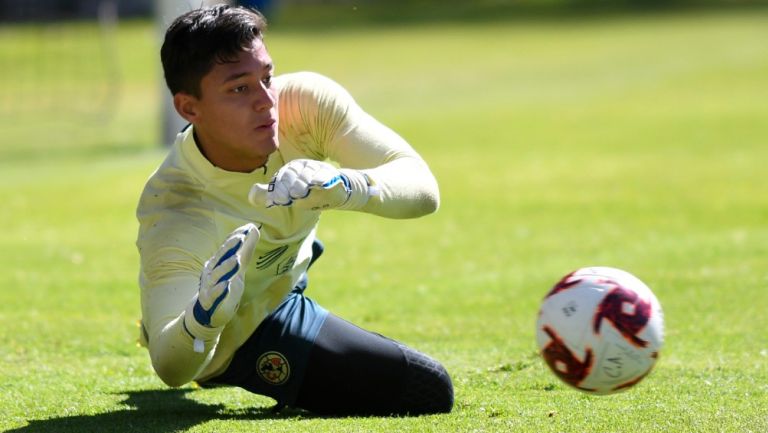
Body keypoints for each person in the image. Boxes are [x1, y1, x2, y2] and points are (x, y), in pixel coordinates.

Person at [135, 4, 453, 416]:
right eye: (239, 89)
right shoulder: (176, 209)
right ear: (188, 108)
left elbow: (423, 188)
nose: (267, 101)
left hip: (286, 265)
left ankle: (179, 297)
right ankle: (176, 301)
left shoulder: (302, 105)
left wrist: (345, 186)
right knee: (427, 389)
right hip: (247, 327)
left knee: (291, 239)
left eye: (266, 77)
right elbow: (171, 368)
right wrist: (202, 319)